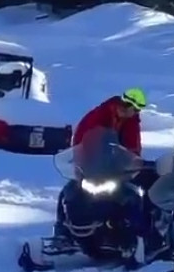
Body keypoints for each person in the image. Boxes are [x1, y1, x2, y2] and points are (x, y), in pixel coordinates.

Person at [55, 88, 164, 255]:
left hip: (118, 170)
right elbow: (80, 141)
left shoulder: (131, 122)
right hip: (93, 169)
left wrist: (133, 162)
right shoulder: (97, 117)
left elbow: (133, 146)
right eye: (129, 107)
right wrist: (80, 164)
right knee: (68, 192)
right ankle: (62, 232)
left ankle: (148, 234)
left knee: (139, 190)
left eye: (136, 110)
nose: (132, 112)